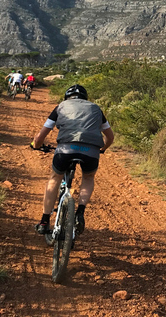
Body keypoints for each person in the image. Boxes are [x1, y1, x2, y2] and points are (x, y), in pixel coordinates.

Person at [32, 84, 114, 235]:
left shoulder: (60, 107)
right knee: (88, 177)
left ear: (67, 97)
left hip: (65, 149)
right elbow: (110, 137)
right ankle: (80, 212)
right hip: (91, 151)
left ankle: (44, 221)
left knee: (55, 178)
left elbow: (41, 135)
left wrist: (36, 145)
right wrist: (103, 148)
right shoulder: (96, 109)